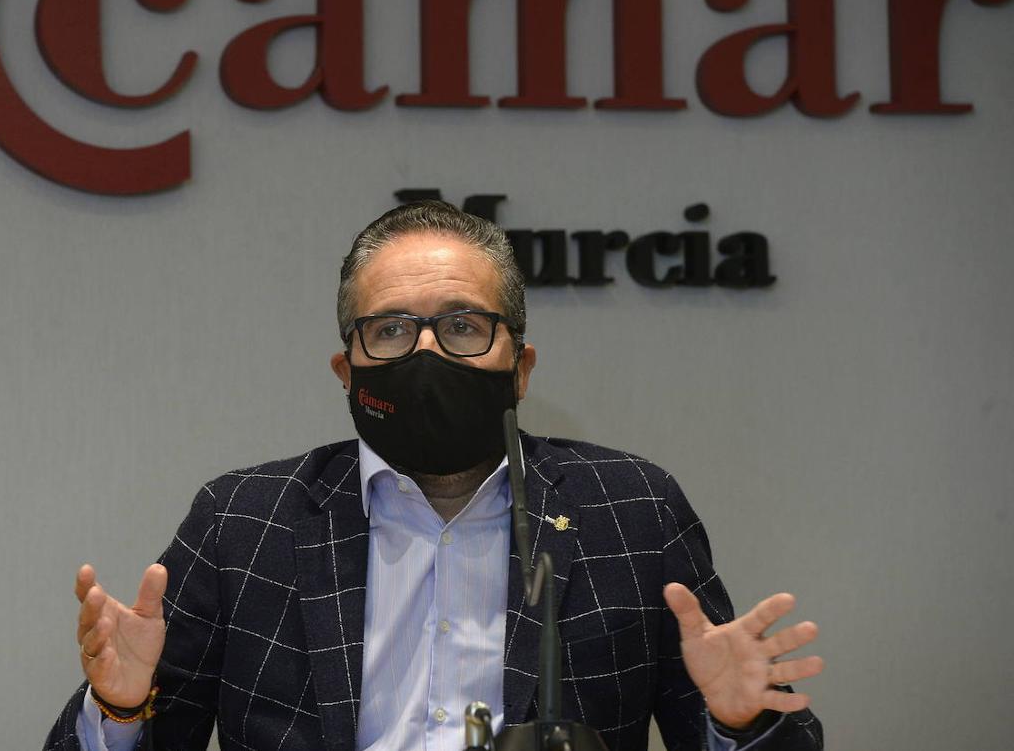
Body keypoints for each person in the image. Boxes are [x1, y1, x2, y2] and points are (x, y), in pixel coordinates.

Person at [44, 202, 825, 751]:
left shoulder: (632, 510)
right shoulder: (243, 524)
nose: (425, 355)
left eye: (461, 326)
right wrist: (117, 711)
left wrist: (737, 727)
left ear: (519, 367)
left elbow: (751, 732)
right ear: (347, 370)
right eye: (390, 330)